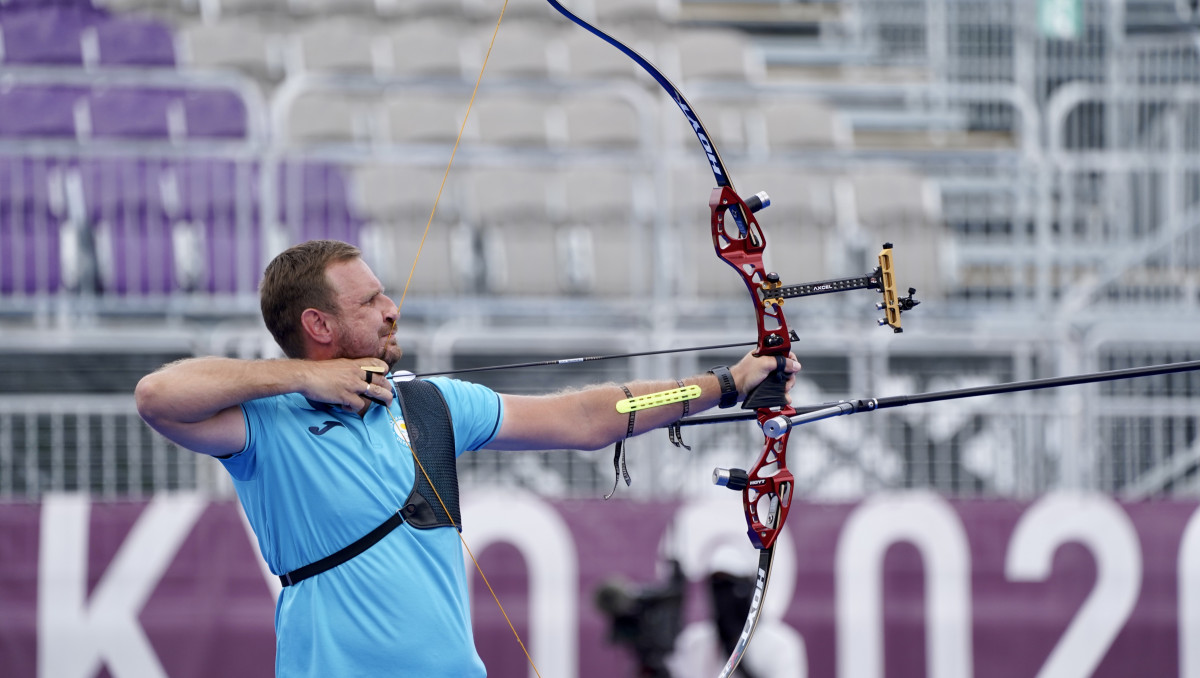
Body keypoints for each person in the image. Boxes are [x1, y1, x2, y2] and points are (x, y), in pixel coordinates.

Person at [135, 239, 800, 677]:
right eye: (369, 302)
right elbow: (158, 396)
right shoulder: (265, 423)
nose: (392, 310)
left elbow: (588, 417)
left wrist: (722, 386)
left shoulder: (429, 405)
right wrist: (301, 380)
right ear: (319, 326)